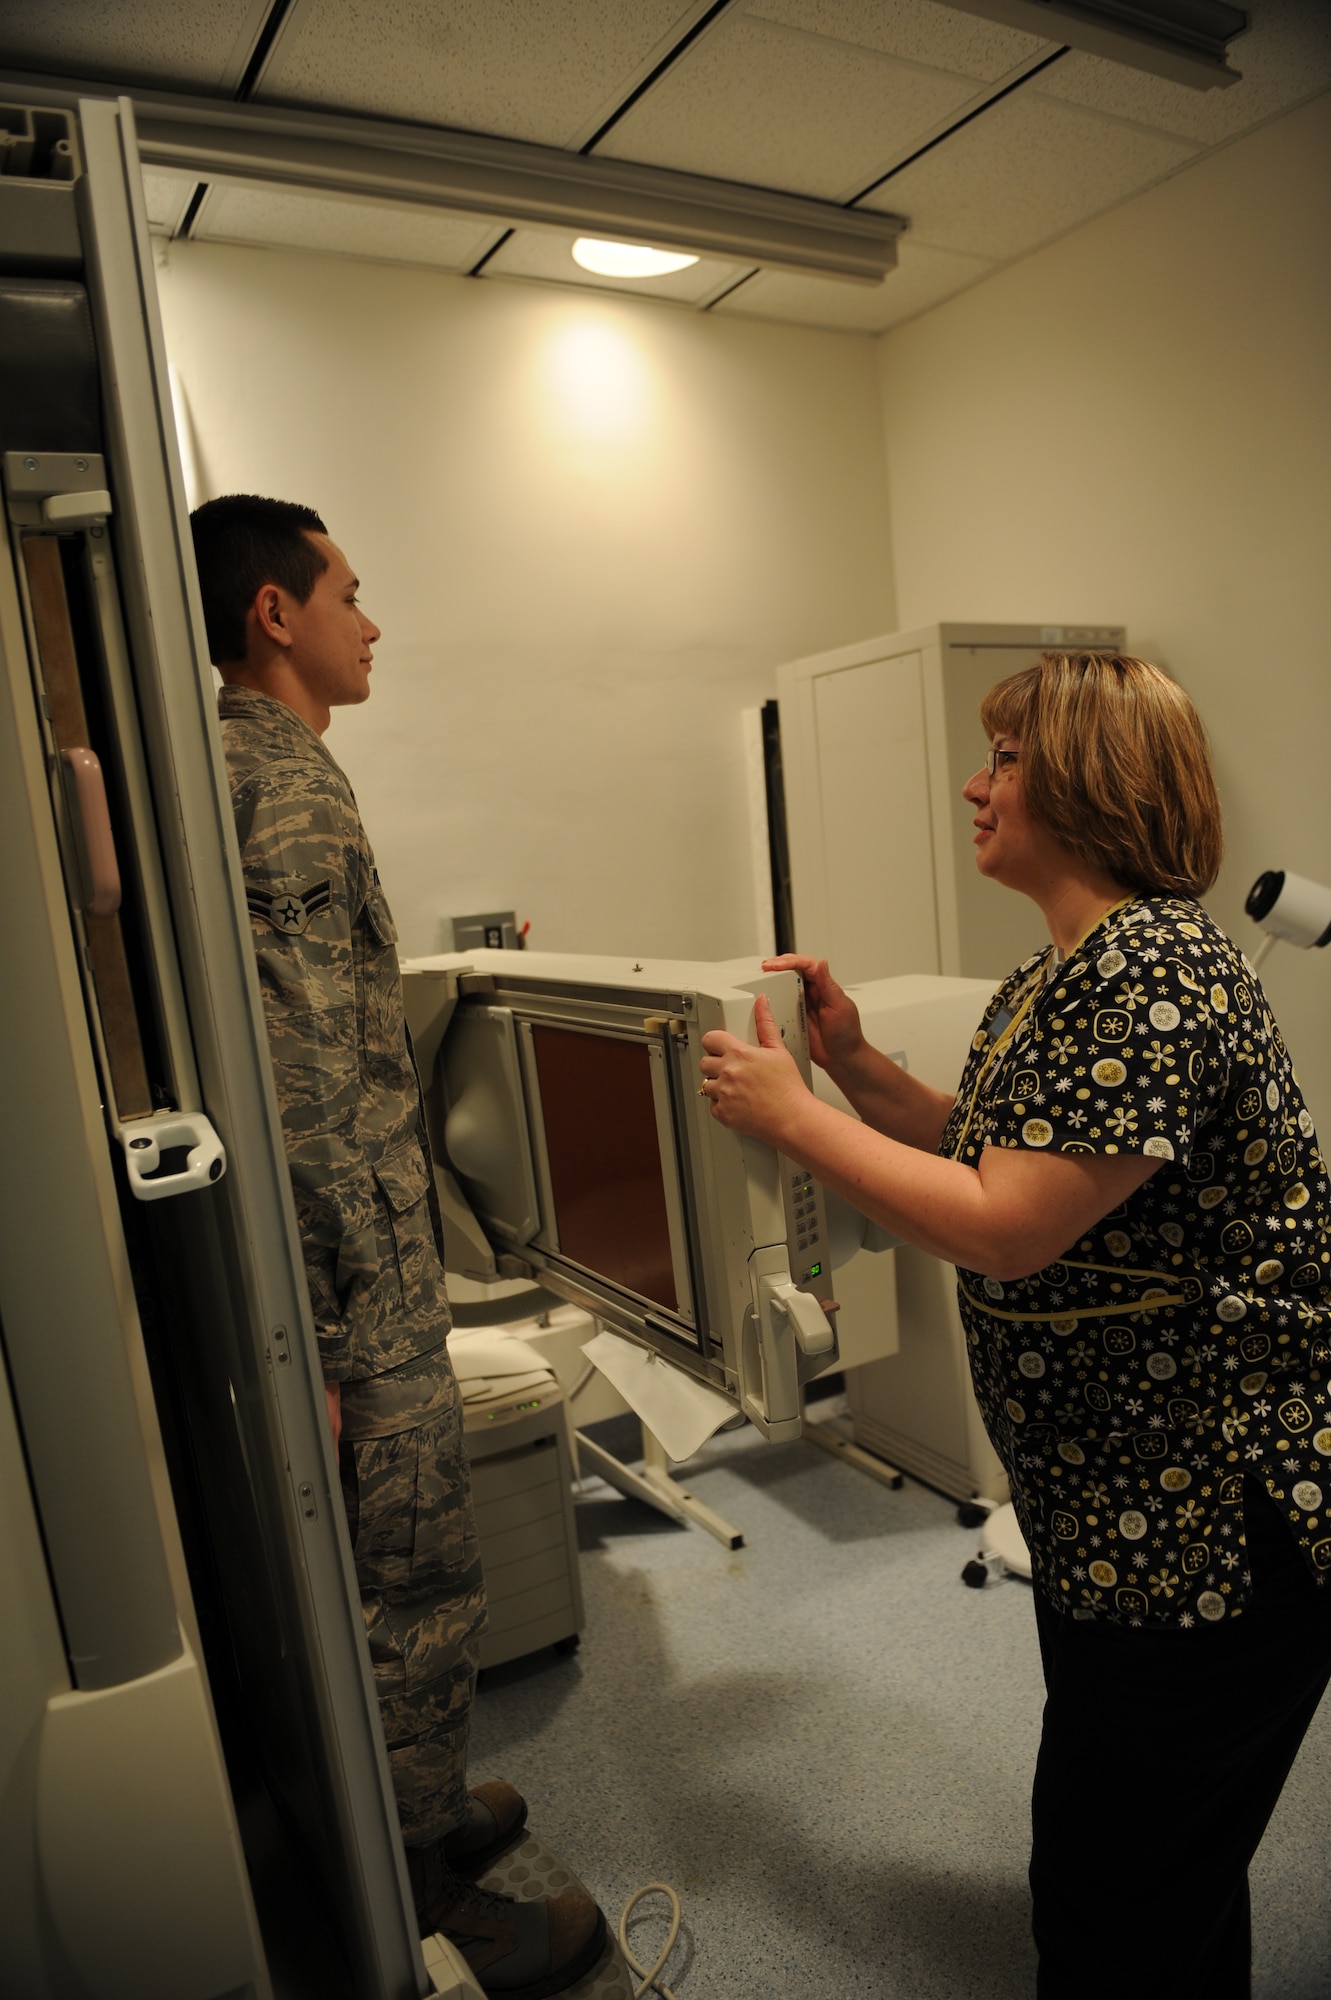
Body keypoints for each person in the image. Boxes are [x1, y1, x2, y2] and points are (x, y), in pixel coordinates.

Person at [699, 652, 1331, 1998]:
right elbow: (998, 1151)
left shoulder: (1157, 966)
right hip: (1117, 1505)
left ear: (1092, 782)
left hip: (1218, 1515)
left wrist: (793, 1115)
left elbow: (1004, 1223)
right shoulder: (1060, 972)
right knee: (1147, 1859)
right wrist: (858, 1065)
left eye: (1005, 759)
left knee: (1118, 1888)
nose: (975, 786)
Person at [190, 495, 605, 1998]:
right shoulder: (282, 787)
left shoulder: (252, 771)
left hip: (352, 1273)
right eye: (350, 595)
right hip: (357, 1289)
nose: (372, 623)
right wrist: (339, 1326)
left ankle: (421, 1817)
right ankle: (420, 1898)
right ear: (275, 617)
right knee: (411, 1590)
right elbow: (304, 1081)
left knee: (390, 1585)